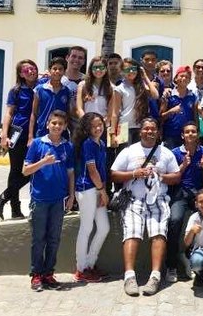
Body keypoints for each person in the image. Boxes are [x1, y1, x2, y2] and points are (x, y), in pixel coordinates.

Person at [110, 117, 181, 297]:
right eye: (146, 129)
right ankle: (130, 276)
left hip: (158, 199)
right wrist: (135, 173)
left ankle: (155, 276)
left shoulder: (166, 153)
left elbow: (177, 176)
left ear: (158, 132)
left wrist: (161, 176)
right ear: (140, 131)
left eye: (153, 129)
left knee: (158, 232)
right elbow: (113, 174)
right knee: (132, 232)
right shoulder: (129, 151)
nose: (150, 132)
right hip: (134, 199)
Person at [22, 110, 74, 291]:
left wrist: (71, 195)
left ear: (65, 126)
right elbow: (25, 171)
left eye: (60, 124)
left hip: (58, 200)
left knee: (54, 239)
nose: (57, 126)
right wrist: (43, 162)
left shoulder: (68, 147)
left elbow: (70, 173)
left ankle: (48, 274)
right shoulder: (37, 144)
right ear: (47, 124)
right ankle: (36, 274)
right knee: (39, 239)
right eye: (54, 123)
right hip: (40, 199)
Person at [0, 59, 38, 220]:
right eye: (26, 70)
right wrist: (4, 135)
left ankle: (2, 199)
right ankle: (15, 209)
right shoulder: (16, 91)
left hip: (35, 134)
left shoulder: (42, 86)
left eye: (32, 68)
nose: (30, 72)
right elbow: (9, 113)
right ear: (20, 74)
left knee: (34, 170)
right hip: (17, 134)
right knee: (16, 171)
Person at [165, 122, 203, 283]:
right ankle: (171, 265)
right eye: (187, 132)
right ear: (182, 136)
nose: (190, 134)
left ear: (198, 134)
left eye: (193, 132)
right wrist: (183, 165)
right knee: (175, 221)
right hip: (180, 192)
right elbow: (171, 177)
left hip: (197, 193)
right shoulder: (175, 153)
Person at [73, 112, 110, 283]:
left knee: (103, 227)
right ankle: (81, 268)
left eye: (100, 124)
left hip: (97, 189)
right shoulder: (88, 144)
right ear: (87, 128)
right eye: (94, 125)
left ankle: (90, 263)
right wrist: (102, 190)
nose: (98, 128)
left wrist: (101, 190)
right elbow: (92, 170)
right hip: (87, 189)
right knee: (86, 228)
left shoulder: (101, 143)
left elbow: (101, 170)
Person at [116, 58, 157, 146]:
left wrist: (145, 77)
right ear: (122, 71)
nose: (131, 71)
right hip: (123, 126)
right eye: (127, 69)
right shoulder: (119, 88)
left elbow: (155, 95)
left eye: (133, 69)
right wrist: (112, 134)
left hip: (140, 126)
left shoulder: (142, 86)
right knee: (123, 154)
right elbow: (115, 113)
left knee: (138, 154)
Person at [29, 57, 71, 143]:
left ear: (64, 71)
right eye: (54, 69)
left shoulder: (66, 91)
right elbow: (34, 113)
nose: (57, 71)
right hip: (42, 132)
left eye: (60, 69)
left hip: (61, 133)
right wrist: (30, 136)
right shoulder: (39, 89)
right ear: (49, 70)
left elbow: (68, 113)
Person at [76, 57, 118, 136]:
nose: (98, 70)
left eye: (101, 67)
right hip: (85, 127)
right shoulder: (82, 85)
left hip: (102, 128)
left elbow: (110, 113)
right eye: (95, 67)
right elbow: (79, 109)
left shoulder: (112, 88)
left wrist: (99, 125)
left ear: (106, 69)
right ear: (91, 69)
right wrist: (87, 123)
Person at [160, 65, 197, 149]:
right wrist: (171, 111)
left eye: (187, 77)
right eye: (181, 76)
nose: (184, 78)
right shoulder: (168, 95)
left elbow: (195, 117)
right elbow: (161, 117)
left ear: (189, 80)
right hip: (170, 135)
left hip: (187, 136)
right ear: (176, 78)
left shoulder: (193, 97)